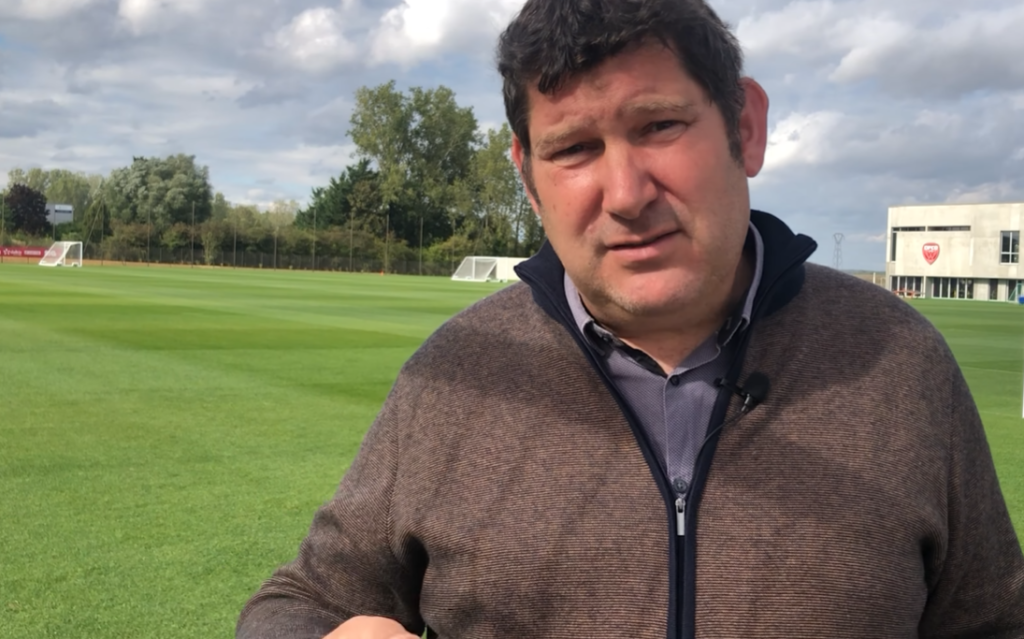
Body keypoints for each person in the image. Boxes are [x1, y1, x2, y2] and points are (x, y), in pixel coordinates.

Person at [237, 0, 1024, 636]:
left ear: (744, 127)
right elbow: (298, 602)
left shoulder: (898, 360)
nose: (625, 194)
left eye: (658, 126)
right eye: (574, 148)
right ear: (528, 177)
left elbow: (994, 620)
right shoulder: (458, 372)